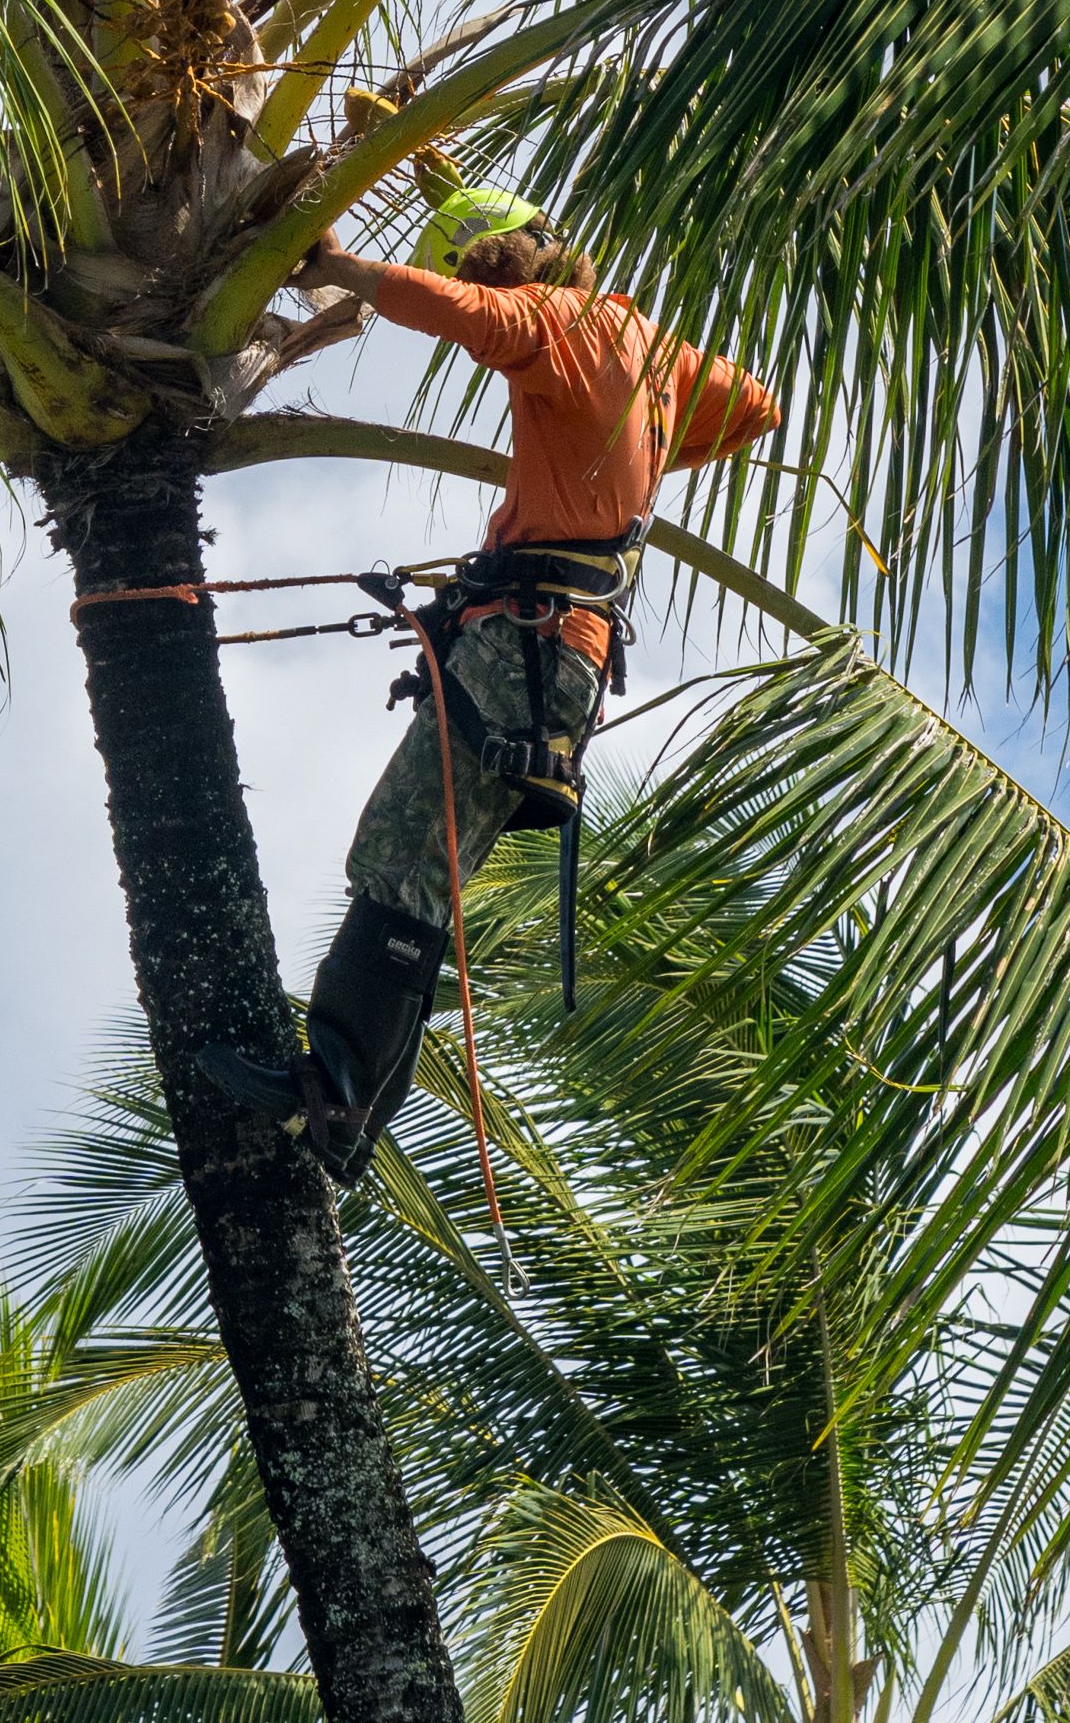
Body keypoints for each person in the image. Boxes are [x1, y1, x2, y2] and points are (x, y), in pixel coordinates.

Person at [201, 185, 781, 1181]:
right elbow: (756, 407)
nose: (474, 285)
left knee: (400, 856)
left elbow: (472, 314)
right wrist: (647, 445)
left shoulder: (561, 324)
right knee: (415, 863)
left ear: (510, 262)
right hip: (544, 645)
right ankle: (344, 1108)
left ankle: (333, 1096)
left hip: (529, 645)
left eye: (479, 264)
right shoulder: (651, 350)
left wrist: (336, 269)